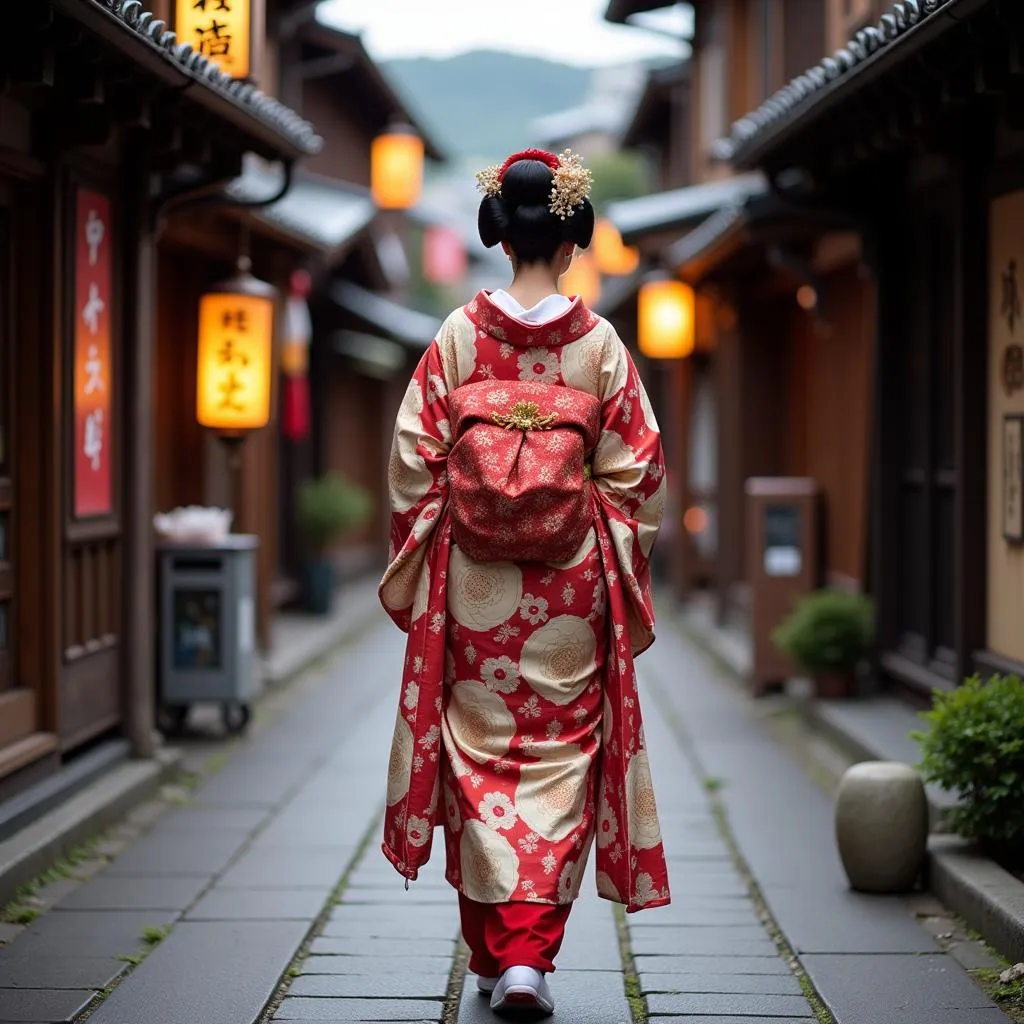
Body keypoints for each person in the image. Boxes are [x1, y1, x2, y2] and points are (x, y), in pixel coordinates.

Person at [379, 148, 670, 1018]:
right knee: (561, 760)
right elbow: (637, 472)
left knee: (476, 758)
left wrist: (454, 522)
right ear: (575, 239)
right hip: (570, 589)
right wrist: (584, 519)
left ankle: (493, 954)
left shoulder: (460, 338)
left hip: (476, 584)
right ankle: (525, 959)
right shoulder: (600, 345)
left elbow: (411, 462)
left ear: (500, 236)